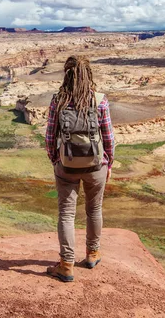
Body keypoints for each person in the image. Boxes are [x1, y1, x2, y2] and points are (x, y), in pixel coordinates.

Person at [45, 55, 115, 282]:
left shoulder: (59, 101)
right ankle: (92, 254)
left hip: (66, 166)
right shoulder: (100, 100)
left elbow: (50, 136)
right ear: (89, 75)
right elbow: (108, 137)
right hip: (96, 166)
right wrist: (109, 162)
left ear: (67, 75)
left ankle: (66, 265)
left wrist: (56, 159)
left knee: (66, 214)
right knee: (94, 210)